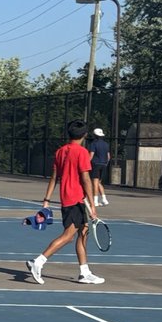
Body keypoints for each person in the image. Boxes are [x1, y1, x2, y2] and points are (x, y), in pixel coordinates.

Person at [26, 120, 105, 286]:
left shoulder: (60, 151)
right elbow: (86, 179)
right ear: (84, 135)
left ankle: (84, 273)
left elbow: (54, 177)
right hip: (76, 200)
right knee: (69, 236)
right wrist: (93, 205)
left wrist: (46, 200)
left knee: (83, 232)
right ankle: (38, 262)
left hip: (67, 200)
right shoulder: (82, 152)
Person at [89, 127, 110, 206]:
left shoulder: (93, 144)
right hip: (104, 164)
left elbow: (91, 155)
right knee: (98, 182)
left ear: (95, 135)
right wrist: (105, 163)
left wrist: (86, 163)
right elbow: (108, 156)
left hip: (96, 164)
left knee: (95, 182)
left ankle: (95, 201)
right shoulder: (106, 144)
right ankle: (104, 199)